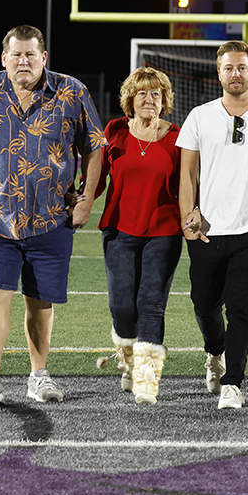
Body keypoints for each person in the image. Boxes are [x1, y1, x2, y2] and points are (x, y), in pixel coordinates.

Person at [0, 24, 106, 405]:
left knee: (40, 300)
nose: (23, 61)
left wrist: (85, 199)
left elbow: (95, 147)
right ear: (4, 58)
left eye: (30, 54)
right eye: (16, 55)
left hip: (51, 216)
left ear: (43, 57)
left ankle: (39, 375)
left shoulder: (72, 91)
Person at [177, 41, 248, 409]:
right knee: (203, 303)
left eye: (242, 67)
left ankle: (233, 382)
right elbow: (187, 173)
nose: (235, 74)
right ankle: (214, 352)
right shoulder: (200, 116)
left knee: (239, 307)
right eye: (228, 67)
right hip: (205, 230)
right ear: (219, 73)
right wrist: (187, 218)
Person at [94, 67, 183, 405]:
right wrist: (79, 198)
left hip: (164, 230)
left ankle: (146, 379)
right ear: (130, 99)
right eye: (142, 93)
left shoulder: (177, 137)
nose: (149, 99)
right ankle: (128, 363)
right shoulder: (115, 132)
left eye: (156, 94)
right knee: (121, 307)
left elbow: (188, 185)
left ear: (165, 101)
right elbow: (97, 177)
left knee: (151, 304)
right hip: (120, 230)